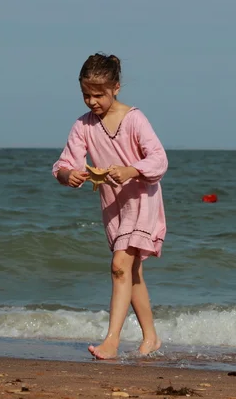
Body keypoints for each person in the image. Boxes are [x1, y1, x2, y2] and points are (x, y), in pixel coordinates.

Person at [52, 53, 168, 360]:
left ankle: (111, 341)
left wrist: (131, 170)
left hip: (142, 201)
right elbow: (65, 164)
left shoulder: (134, 119)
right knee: (133, 273)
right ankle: (152, 338)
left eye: (98, 95)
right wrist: (70, 175)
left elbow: (159, 159)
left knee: (119, 267)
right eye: (86, 95)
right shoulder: (83, 126)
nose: (91, 102)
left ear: (115, 87)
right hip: (113, 207)